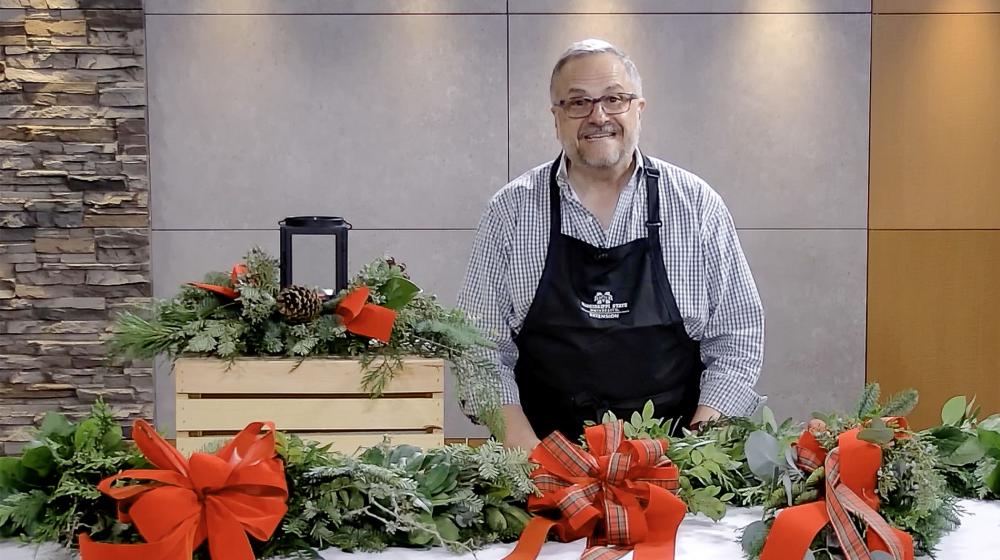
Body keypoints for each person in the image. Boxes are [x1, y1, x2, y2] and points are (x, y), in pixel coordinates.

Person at [458, 39, 764, 451]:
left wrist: (694, 455)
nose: (597, 116)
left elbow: (737, 337)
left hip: (674, 472)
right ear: (556, 117)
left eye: (614, 99)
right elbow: (478, 350)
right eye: (577, 102)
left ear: (639, 108)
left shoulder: (695, 204)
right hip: (540, 470)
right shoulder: (511, 211)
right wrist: (531, 458)